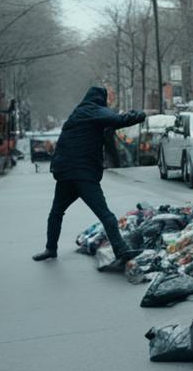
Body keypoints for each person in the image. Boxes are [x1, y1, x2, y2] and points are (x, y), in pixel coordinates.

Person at [32, 87, 145, 262]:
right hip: (83, 174)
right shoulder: (95, 110)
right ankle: (121, 251)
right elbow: (118, 120)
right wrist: (139, 115)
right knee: (105, 214)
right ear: (101, 99)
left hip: (65, 173)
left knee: (56, 213)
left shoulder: (77, 113)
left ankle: (50, 249)